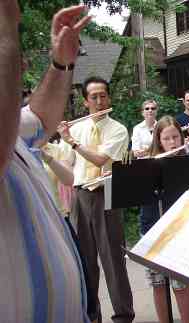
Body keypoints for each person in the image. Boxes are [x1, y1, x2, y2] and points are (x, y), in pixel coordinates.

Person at [0, 3, 91, 322]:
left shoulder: (12, 134)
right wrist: (5, 21)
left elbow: (39, 117)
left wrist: (61, 63)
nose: (21, 64)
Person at [59, 76, 135, 323]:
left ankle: (123, 315)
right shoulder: (77, 128)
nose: (100, 101)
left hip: (107, 193)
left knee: (113, 260)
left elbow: (100, 160)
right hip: (81, 196)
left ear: (109, 97)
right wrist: (52, 150)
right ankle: (92, 316)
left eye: (103, 96)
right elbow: (67, 168)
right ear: (85, 102)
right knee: (85, 261)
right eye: (94, 97)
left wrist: (72, 142)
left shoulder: (118, 129)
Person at [143, 116, 189, 323]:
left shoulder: (188, 162)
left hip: (180, 229)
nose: (172, 142)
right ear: (158, 140)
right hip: (152, 228)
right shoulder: (147, 164)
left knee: (181, 285)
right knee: (158, 285)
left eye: (176, 137)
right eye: (167, 139)